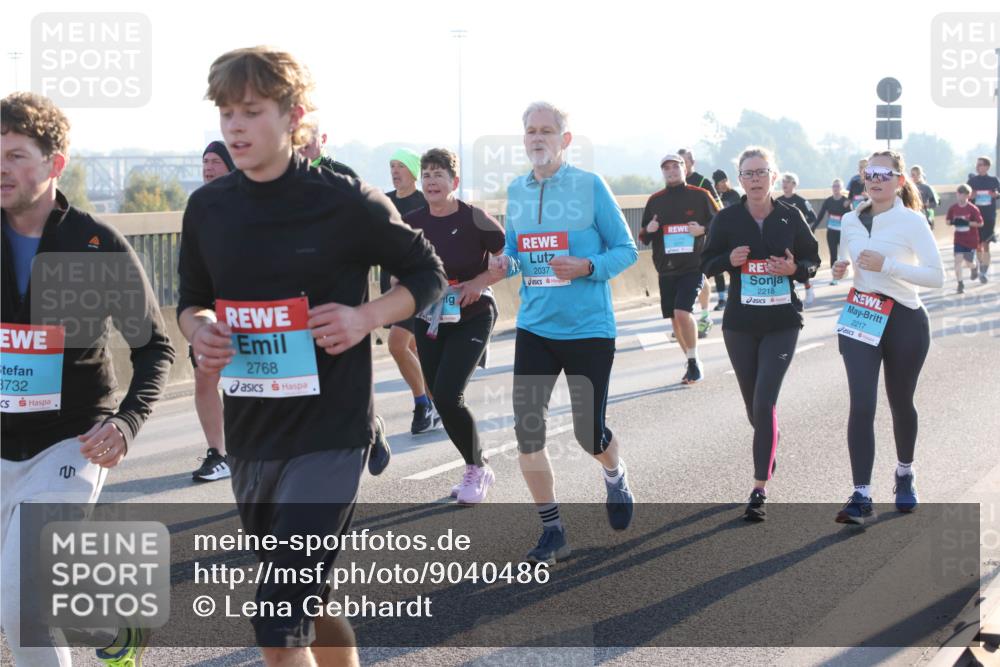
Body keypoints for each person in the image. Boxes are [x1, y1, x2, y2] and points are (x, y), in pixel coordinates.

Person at [178, 47, 446, 666]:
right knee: (308, 602)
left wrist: (365, 316)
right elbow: (191, 303)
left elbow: (427, 273)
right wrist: (201, 330)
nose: (235, 127)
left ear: (293, 116)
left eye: (251, 111)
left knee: (277, 614)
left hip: (331, 431)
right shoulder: (209, 208)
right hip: (252, 432)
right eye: (226, 113)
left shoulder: (345, 201)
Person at [1, 91, 175, 665]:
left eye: (16, 155)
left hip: (69, 441)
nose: (2, 168)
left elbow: (154, 347)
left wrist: (126, 423)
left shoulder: (95, 243)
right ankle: (114, 628)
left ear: (55, 163)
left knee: (24, 604)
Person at [491, 101, 638, 564]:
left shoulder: (590, 186)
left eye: (547, 131)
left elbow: (627, 249)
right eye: (531, 131)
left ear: (565, 140)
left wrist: (587, 266)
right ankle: (553, 531)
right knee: (527, 432)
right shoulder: (516, 190)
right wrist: (503, 262)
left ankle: (614, 472)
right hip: (535, 327)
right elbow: (516, 251)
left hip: (589, 329)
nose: (538, 138)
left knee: (587, 434)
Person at [701, 146, 820, 522]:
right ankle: (769, 443)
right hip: (740, 325)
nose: (755, 179)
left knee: (765, 403)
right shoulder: (727, 219)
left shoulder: (790, 215)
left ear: (773, 176)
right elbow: (706, 263)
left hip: (782, 323)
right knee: (754, 408)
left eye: (761, 172)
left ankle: (758, 489)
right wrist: (728, 261)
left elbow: (813, 260)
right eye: (748, 174)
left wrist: (794, 270)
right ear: (739, 179)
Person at [832, 151, 944, 525]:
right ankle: (861, 496)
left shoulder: (912, 221)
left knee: (900, 402)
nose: (876, 179)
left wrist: (889, 266)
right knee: (862, 404)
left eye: (884, 173)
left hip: (905, 318)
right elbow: (846, 261)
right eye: (870, 173)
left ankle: (904, 471)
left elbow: (936, 276)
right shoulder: (850, 219)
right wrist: (840, 269)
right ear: (863, 178)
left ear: (899, 180)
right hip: (862, 314)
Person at [405, 148, 506, 503]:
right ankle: (476, 463)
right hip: (430, 317)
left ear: (455, 181)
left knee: (449, 394)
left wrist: (479, 281)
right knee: (439, 397)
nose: (432, 181)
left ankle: (476, 469)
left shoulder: (475, 217)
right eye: (427, 175)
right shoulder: (413, 221)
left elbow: (508, 257)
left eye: (439, 174)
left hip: (473, 315)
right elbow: (401, 265)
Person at [638, 153, 719, 384]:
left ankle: (693, 361)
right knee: (675, 319)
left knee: (683, 312)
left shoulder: (700, 195)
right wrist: (650, 229)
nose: (671, 171)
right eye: (667, 168)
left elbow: (720, 221)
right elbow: (643, 236)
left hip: (693, 266)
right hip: (666, 269)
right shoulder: (655, 200)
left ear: (685, 169)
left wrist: (703, 229)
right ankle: (692, 361)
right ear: (662, 172)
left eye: (676, 167)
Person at [382, 148, 441, 435]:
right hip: (392, 286)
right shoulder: (383, 202)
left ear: (414, 171)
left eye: (401, 166)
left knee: (397, 344)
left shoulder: (424, 202)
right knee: (416, 349)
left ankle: (423, 405)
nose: (395, 171)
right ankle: (438, 402)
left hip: (419, 286)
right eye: (392, 166)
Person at [188, 140, 236, 482]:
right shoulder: (199, 206)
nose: (208, 167)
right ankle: (218, 453)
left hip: (250, 308)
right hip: (209, 306)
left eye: (216, 161)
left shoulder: (252, 202)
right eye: (205, 161)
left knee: (248, 382)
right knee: (205, 375)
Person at [777, 172, 818, 305]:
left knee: (799, 266)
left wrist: (802, 229)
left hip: (798, 241)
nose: (784, 185)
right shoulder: (777, 201)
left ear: (794, 184)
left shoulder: (801, 201)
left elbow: (813, 217)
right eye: (783, 182)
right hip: (783, 240)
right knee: (785, 267)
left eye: (787, 182)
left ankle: (808, 288)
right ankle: (789, 295)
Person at [813, 178, 853, 286]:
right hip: (831, 231)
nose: (835, 188)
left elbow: (851, 218)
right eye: (834, 186)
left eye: (837, 186)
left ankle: (845, 272)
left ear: (841, 188)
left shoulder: (845, 201)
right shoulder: (828, 201)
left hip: (842, 232)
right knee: (833, 254)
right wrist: (813, 227)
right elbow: (820, 215)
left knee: (843, 254)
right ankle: (834, 277)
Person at [945, 184, 984, 294]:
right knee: (957, 261)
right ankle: (960, 284)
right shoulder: (953, 208)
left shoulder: (973, 209)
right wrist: (953, 222)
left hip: (971, 239)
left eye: (963, 194)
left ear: (968, 195)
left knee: (968, 263)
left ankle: (974, 268)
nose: (960, 196)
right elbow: (947, 221)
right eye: (959, 194)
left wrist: (967, 222)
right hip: (958, 239)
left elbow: (980, 223)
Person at [967, 156, 1000, 284]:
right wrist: (971, 196)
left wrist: (996, 195)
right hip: (975, 217)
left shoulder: (994, 180)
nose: (977, 167)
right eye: (977, 164)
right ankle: (978, 266)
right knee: (977, 245)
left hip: (989, 216)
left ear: (987, 167)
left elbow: (999, 194)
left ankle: (984, 272)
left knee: (985, 244)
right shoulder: (972, 181)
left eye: (980, 164)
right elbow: (964, 196)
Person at [711, 169, 740, 310]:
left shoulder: (733, 195)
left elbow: (740, 212)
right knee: (718, 268)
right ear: (716, 184)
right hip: (718, 236)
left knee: (734, 267)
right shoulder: (713, 195)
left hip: (733, 236)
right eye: (720, 181)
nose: (724, 183)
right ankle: (721, 299)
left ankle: (737, 296)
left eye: (725, 180)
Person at [297, 114, 359, 178]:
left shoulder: (345, 174)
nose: (302, 143)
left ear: (323, 139)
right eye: (297, 138)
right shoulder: (291, 172)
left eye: (309, 136)